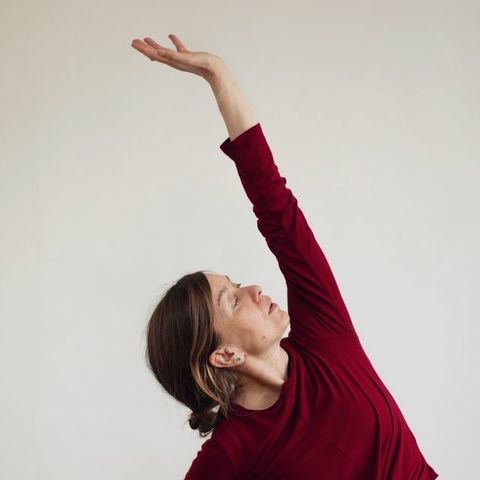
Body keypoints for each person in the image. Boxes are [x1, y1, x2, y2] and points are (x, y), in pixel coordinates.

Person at [131, 34, 439, 480]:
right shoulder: (232, 455)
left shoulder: (324, 334)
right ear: (225, 354)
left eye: (237, 284)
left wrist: (218, 74)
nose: (254, 289)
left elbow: (277, 208)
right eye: (233, 300)